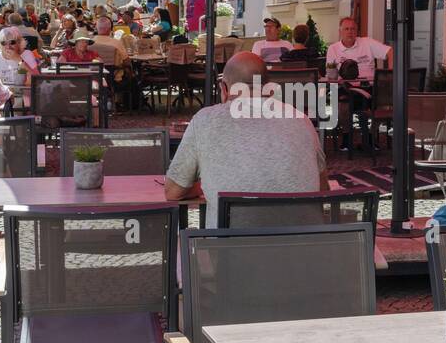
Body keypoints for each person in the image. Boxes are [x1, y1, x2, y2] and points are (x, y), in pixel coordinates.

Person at [165, 52, 329, 227]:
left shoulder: (205, 121)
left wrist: (202, 186)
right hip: (304, 248)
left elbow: (172, 191)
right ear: (270, 89)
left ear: (224, 89)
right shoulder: (301, 120)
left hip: (230, 251)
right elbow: (322, 187)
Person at [325, 16, 391, 80]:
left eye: (352, 29)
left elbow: (391, 52)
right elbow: (331, 76)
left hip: (369, 87)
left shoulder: (368, 42)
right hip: (344, 88)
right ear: (340, 32)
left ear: (357, 31)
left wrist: (391, 76)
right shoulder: (333, 49)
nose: (349, 32)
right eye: (346, 29)